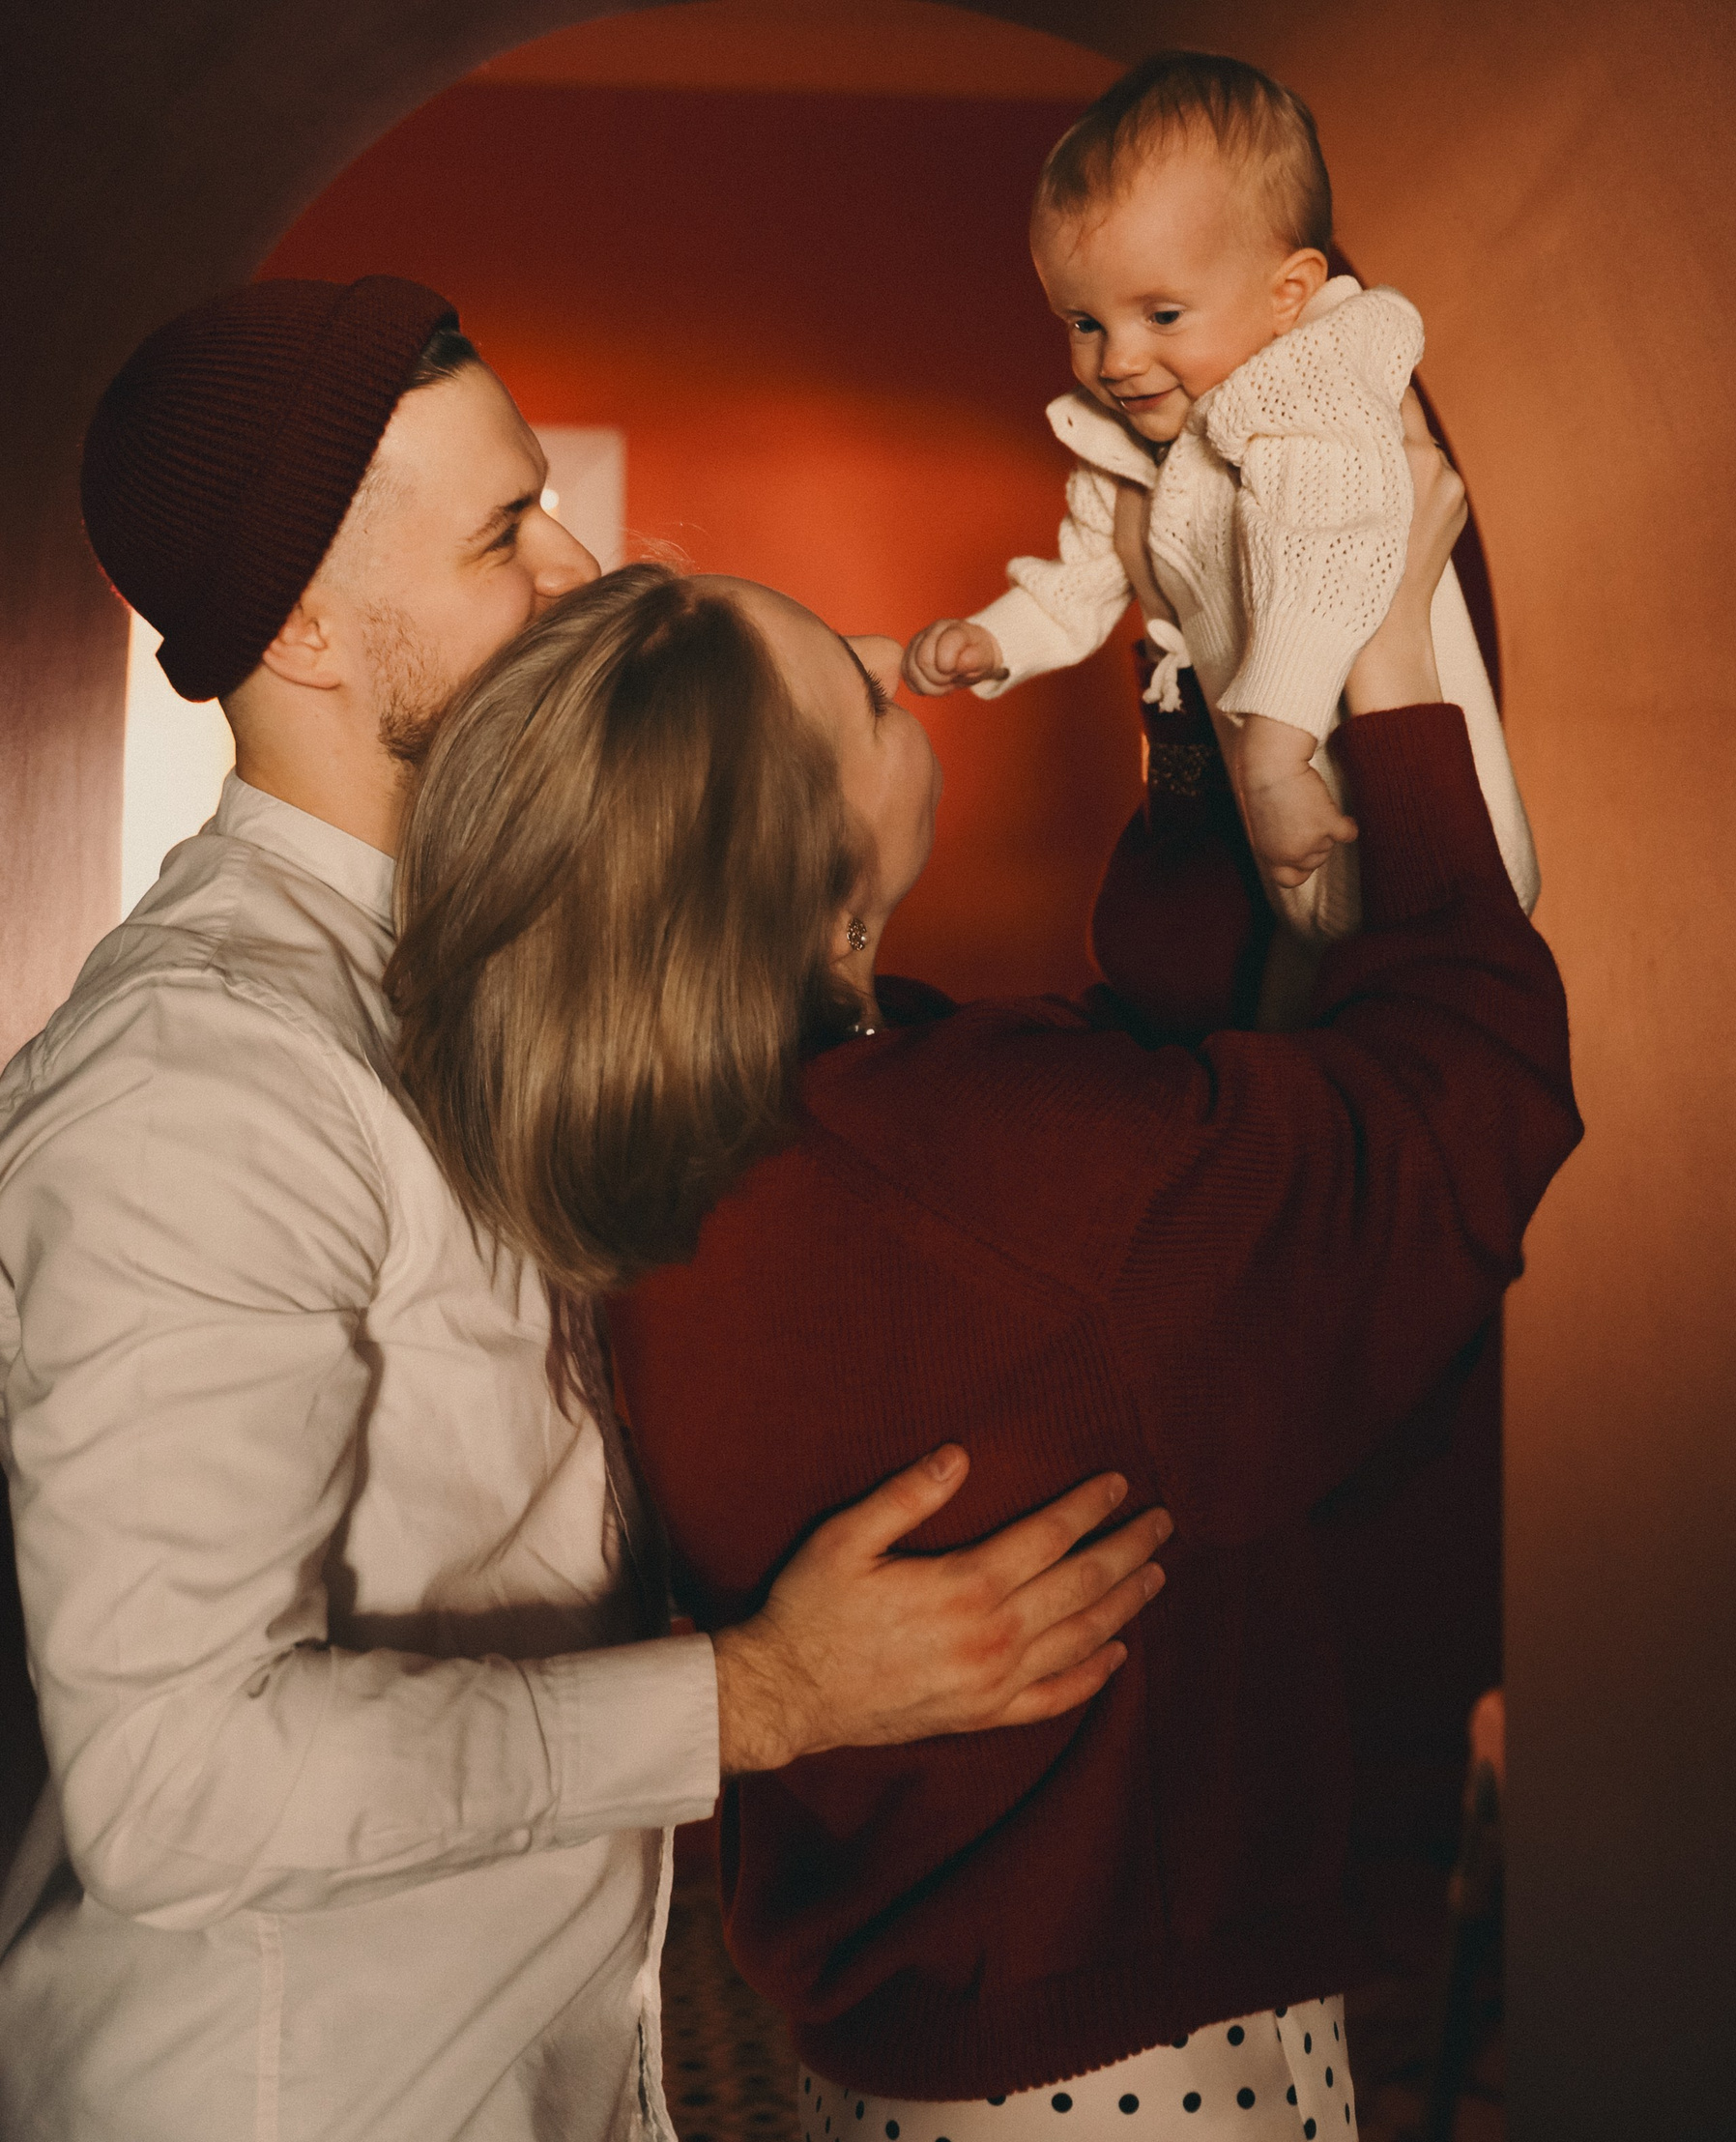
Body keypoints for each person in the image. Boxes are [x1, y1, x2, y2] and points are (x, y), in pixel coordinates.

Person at [0, 275, 1171, 2142]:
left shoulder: (519, 965)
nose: (580, 565)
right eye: (502, 535)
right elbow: (175, 1785)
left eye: (545, 504)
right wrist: (761, 1699)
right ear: (304, 630)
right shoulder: (195, 1087)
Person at [388, 402, 1581, 2128]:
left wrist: (1200, 682)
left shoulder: (709, 1159)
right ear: (822, 884)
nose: (899, 665)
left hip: (890, 2044)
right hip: (1132, 2063)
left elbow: (1163, 1081)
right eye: (859, 694)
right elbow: (1466, 1102)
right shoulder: (981, 1157)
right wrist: (1392, 657)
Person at [902, 52, 1538, 943]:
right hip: (1285, 835)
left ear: (1288, 295)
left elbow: (1325, 556)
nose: (1116, 360)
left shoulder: (1312, 381)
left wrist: (1275, 757)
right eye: (1084, 322)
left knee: (1388, 956)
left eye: (1161, 315)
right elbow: (1086, 575)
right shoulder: (1134, 436)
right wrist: (995, 639)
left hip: (1411, 809)